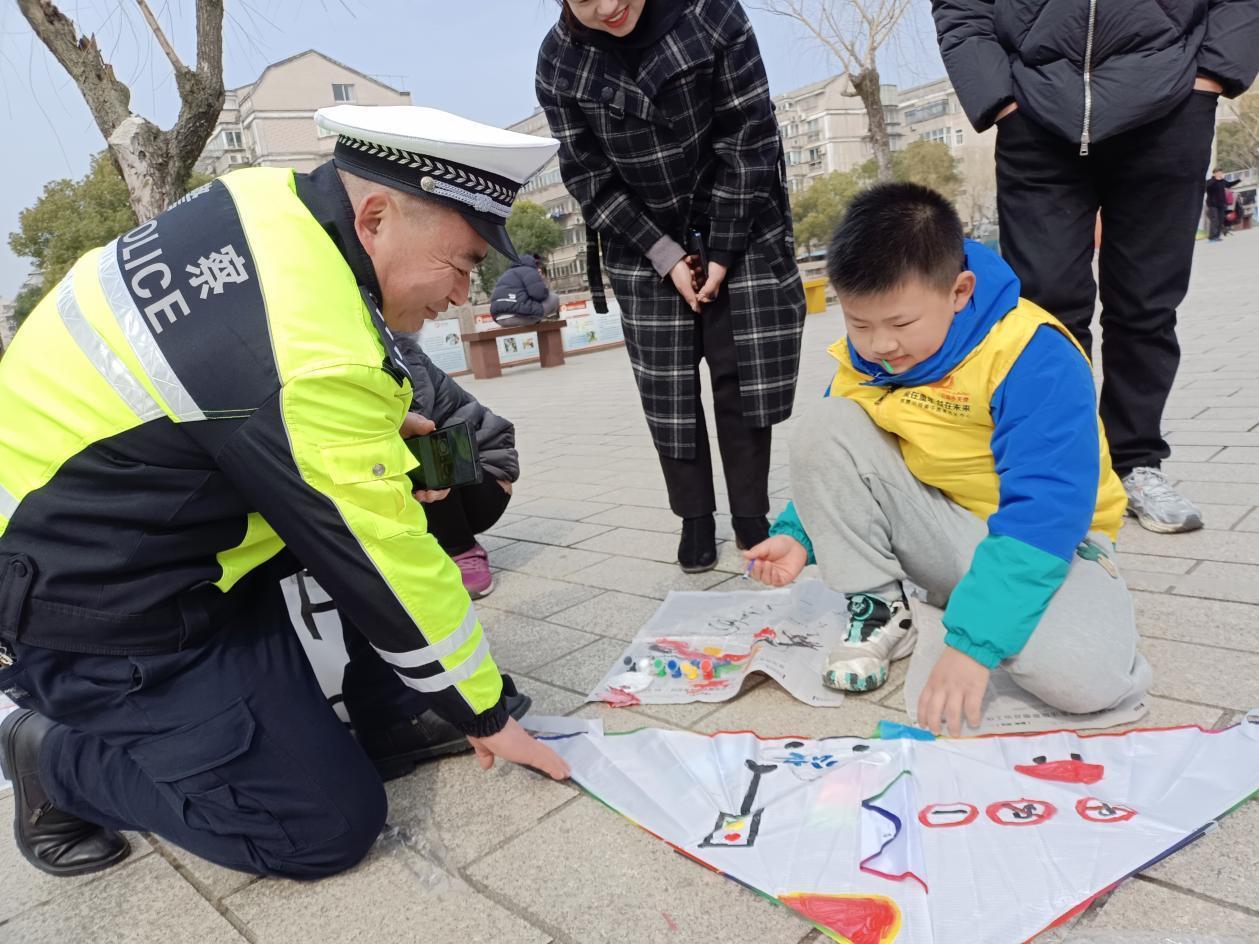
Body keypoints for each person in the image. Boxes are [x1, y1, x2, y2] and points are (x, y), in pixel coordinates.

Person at [0, 105, 570, 881]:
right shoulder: (317, 343)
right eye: (464, 265)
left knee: (398, 500)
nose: (464, 298)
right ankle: (52, 758)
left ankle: (397, 707)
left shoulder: (266, 203)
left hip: (164, 541)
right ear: (375, 217)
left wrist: (398, 461)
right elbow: (382, 551)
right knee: (320, 827)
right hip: (95, 607)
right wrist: (486, 713)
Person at [744, 184, 1152, 737]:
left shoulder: (1031, 352)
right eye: (859, 324)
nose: (879, 346)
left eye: (900, 324)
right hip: (939, 528)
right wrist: (799, 533)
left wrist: (974, 647)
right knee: (824, 421)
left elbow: (1047, 510)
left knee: (1086, 682)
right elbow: (845, 456)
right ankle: (882, 608)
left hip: (1052, 540)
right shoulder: (868, 360)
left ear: (960, 291)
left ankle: (980, 609)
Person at [932, 0, 1259, 534]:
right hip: (1036, 110)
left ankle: (1135, 463)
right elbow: (959, 8)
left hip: (1170, 104)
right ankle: (1062, 471)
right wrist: (998, 100)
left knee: (1146, 303)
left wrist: (1213, 77)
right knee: (1044, 308)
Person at [536, 0, 806, 573]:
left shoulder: (712, 14)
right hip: (641, 235)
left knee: (740, 374)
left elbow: (749, 137)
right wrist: (666, 256)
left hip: (740, 214)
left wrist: (724, 250)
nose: (608, 8)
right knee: (668, 389)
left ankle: (751, 513)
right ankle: (694, 518)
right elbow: (588, 176)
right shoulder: (559, 61)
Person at [490, 253, 562, 326]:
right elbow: (540, 295)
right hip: (519, 318)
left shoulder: (507, 273)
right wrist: (542, 283)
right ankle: (550, 320)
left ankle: (542, 319)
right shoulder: (530, 270)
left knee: (530, 304)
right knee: (554, 298)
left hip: (500, 320)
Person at [1206, 169, 1230, 241]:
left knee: (1220, 220)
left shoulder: (1222, 182)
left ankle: (1217, 236)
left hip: (1221, 205)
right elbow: (1207, 187)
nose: (1220, 174)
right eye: (1219, 173)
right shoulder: (1210, 181)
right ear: (1214, 174)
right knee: (1214, 220)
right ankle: (1212, 237)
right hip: (1212, 204)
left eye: (1221, 173)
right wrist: (1214, 179)